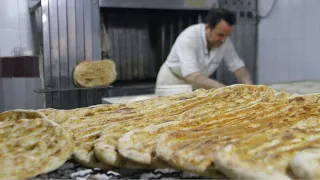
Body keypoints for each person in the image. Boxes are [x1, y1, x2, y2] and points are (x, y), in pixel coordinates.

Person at [156, 8, 253, 90]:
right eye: (220, 35)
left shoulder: (224, 41)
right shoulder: (189, 37)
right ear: (208, 28)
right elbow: (191, 75)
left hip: (197, 84)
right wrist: (223, 89)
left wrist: (252, 90)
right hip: (173, 82)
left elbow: (238, 67)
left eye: (226, 36)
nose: (223, 40)